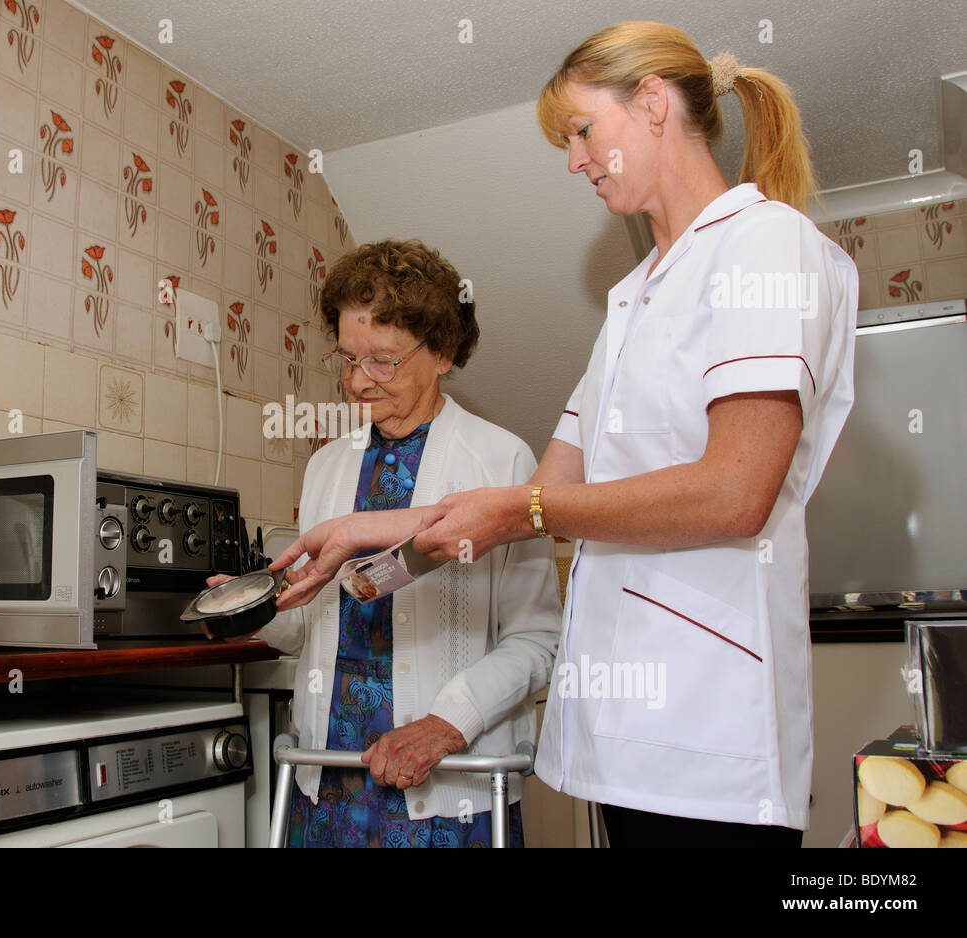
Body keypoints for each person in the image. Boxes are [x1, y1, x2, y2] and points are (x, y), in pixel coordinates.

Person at [273, 22, 858, 848]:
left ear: (653, 103)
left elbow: (735, 490)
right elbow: (540, 493)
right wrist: (352, 532)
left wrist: (521, 514)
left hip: (709, 723)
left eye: (582, 131)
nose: (574, 160)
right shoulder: (630, 302)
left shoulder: (763, 245)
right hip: (618, 737)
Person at [222, 238, 561, 848]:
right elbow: (314, 625)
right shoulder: (327, 466)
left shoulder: (500, 459)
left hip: (446, 787)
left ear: (443, 352)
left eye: (382, 360)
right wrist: (250, 612)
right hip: (327, 785)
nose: (357, 383)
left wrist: (444, 725)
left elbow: (536, 640)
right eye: (348, 359)